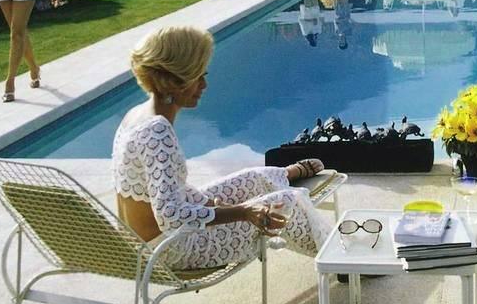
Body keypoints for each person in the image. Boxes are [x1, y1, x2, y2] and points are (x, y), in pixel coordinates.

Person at [112, 25, 333, 268]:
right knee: (287, 201)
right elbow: (170, 215)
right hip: (170, 250)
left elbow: (169, 188)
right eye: (199, 76)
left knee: (252, 178)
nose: (204, 85)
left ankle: (285, 173)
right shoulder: (157, 131)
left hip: (148, 241)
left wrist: (212, 205)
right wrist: (243, 211)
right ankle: (340, 259)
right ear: (177, 79)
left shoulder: (136, 115)